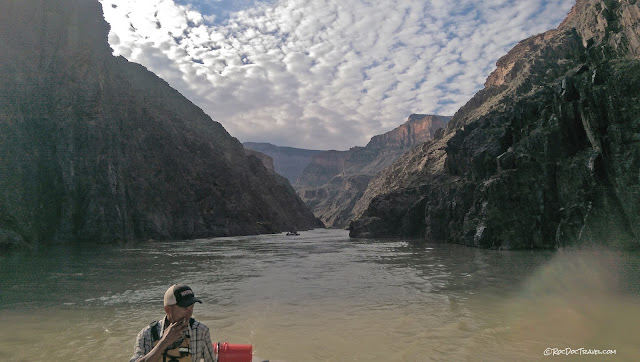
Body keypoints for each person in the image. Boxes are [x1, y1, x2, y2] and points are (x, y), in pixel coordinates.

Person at [130, 284, 216, 362]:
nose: (189, 314)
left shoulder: (200, 331)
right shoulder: (147, 334)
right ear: (168, 309)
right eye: (185, 309)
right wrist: (164, 342)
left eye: (192, 308)